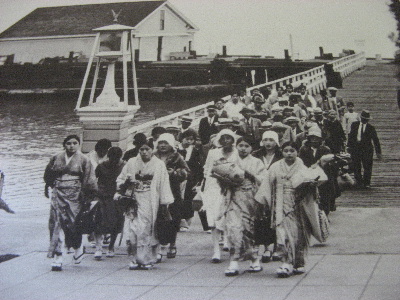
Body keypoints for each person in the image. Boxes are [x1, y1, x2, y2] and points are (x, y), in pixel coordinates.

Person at [255, 141, 313, 277]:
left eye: (292, 150)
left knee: (299, 234)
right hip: (280, 203)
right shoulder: (275, 166)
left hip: (298, 204)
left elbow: (310, 185)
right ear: (281, 152)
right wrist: (263, 203)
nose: (289, 153)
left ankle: (299, 262)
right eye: (286, 150)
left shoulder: (302, 167)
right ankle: (286, 262)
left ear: (297, 152)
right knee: (283, 233)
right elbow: (266, 185)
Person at [115, 141, 174, 270]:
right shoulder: (131, 162)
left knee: (146, 228)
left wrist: (164, 203)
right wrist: (125, 184)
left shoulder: (159, 164)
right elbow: (120, 179)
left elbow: (164, 184)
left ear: (152, 150)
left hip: (150, 199)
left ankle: (146, 259)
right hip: (134, 198)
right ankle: (134, 258)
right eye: (141, 149)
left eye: (147, 149)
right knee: (132, 228)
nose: (144, 152)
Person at [44, 135, 97, 271]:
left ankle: (78, 248)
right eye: (68, 143)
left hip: (75, 195)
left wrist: (87, 197)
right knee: (55, 223)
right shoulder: (56, 157)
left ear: (78, 145)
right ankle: (58, 255)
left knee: (73, 224)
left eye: (74, 143)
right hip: (58, 193)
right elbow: (48, 174)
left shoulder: (84, 160)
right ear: (64, 145)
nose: (71, 146)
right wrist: (49, 185)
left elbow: (89, 179)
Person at [223, 136, 266, 276]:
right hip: (234, 197)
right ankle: (233, 261)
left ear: (252, 148)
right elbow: (220, 178)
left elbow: (264, 180)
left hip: (251, 198)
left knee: (249, 229)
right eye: (240, 145)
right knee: (233, 228)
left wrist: (251, 175)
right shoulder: (230, 161)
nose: (243, 148)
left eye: (246, 146)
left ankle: (254, 259)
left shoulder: (257, 162)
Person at [202, 129, 240, 263]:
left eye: (228, 138)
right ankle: (216, 250)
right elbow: (207, 171)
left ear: (233, 140)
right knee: (214, 217)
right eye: (223, 138)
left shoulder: (237, 153)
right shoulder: (213, 153)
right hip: (214, 187)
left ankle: (229, 242)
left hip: (232, 187)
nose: (225, 141)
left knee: (230, 216)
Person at [154, 133, 190, 260]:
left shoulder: (176, 157)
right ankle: (158, 246)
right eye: (160, 143)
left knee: (173, 218)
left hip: (173, 191)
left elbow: (186, 172)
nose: (163, 145)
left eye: (165, 143)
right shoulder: (153, 156)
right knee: (158, 219)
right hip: (156, 191)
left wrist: (174, 173)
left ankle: (172, 244)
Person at [252, 130, 283, 262]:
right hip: (258, 190)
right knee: (261, 218)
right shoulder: (256, 155)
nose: (268, 143)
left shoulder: (281, 156)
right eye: (266, 140)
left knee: (275, 217)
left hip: (276, 190)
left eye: (271, 140)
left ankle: (274, 246)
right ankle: (263, 245)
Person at [94, 147, 125, 260]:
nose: (114, 161)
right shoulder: (101, 166)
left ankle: (110, 247)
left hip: (117, 197)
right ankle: (99, 247)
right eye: (112, 158)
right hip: (102, 197)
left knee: (116, 223)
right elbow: (93, 179)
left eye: (116, 159)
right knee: (99, 221)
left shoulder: (124, 166)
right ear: (108, 157)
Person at [177, 129, 204, 232]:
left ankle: (186, 222)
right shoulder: (176, 150)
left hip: (190, 180)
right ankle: (179, 221)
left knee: (188, 200)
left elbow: (198, 167)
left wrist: (198, 180)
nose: (189, 142)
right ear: (182, 139)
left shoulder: (195, 151)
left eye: (191, 140)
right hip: (178, 178)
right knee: (178, 199)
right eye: (187, 139)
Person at [347, 110, 382, 188]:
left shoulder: (371, 128)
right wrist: (348, 147)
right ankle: (359, 182)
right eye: (363, 118)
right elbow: (351, 136)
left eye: (366, 119)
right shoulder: (354, 125)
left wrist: (378, 152)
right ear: (361, 118)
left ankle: (367, 183)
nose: (364, 120)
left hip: (367, 149)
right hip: (356, 148)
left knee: (367, 166)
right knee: (356, 165)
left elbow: (376, 140)